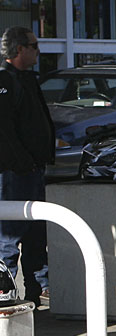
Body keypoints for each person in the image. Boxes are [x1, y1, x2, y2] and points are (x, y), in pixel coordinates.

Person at [0, 27, 55, 306]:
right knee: (9, 234)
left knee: (36, 233)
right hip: (15, 172)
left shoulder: (27, 80)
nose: (38, 51)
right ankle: (4, 292)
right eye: (35, 46)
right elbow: (5, 131)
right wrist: (21, 163)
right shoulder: (5, 80)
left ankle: (39, 287)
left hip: (33, 169)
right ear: (20, 49)